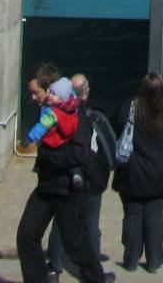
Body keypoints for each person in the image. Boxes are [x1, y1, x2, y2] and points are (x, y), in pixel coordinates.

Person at [16, 63, 109, 283]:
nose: (33, 98)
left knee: (75, 245)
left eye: (35, 92)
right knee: (27, 237)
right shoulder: (47, 111)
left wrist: (46, 155)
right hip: (47, 186)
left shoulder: (77, 115)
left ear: (49, 90)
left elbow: (79, 153)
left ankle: (96, 279)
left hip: (68, 190)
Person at [112, 73, 163, 273]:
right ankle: (154, 261)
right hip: (159, 174)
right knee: (154, 215)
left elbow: (114, 126)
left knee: (133, 215)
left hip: (131, 172)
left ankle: (131, 259)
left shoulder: (129, 107)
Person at [49, 73, 110, 277]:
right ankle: (93, 267)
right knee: (91, 222)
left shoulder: (59, 114)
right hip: (90, 172)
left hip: (68, 171)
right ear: (87, 90)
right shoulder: (94, 114)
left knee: (60, 222)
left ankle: (55, 263)